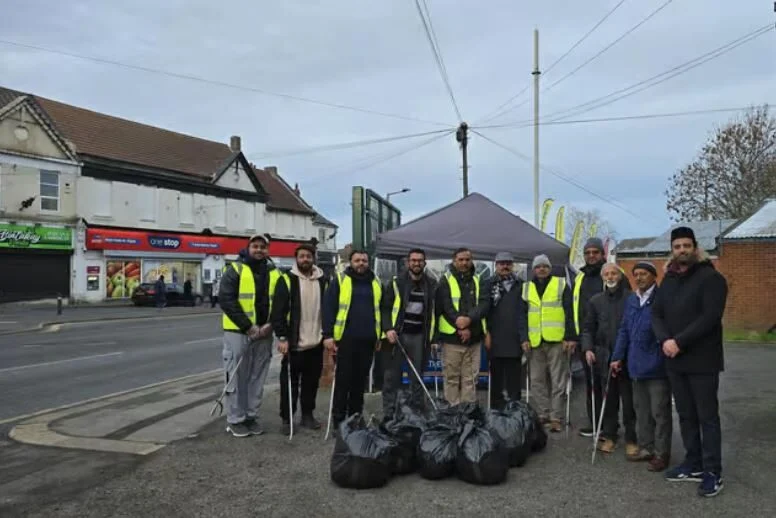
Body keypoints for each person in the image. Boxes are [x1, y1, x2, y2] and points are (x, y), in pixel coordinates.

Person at [652, 227, 728, 497]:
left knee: (707, 417)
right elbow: (656, 314)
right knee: (685, 415)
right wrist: (665, 340)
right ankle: (693, 463)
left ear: (695, 248)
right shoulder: (668, 280)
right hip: (675, 360)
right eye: (677, 246)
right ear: (672, 250)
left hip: (703, 360)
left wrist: (679, 342)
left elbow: (710, 317)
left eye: (686, 245)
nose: (682, 250)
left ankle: (713, 471)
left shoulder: (711, 278)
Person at [218, 234, 283, 437]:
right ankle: (235, 419)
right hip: (238, 332)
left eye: (263, 247)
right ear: (248, 248)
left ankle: (251, 416)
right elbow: (226, 300)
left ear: (267, 250)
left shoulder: (275, 273)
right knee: (237, 376)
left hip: (264, 333)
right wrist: (248, 327)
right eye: (255, 246)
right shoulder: (235, 269)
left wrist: (270, 325)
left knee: (257, 377)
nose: (259, 250)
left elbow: (281, 302)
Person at [611, 261, 672, 472]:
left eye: (644, 274)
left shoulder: (662, 298)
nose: (639, 278)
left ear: (654, 276)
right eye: (636, 274)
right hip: (635, 364)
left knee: (659, 412)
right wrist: (617, 356)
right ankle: (646, 447)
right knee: (642, 410)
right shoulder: (632, 299)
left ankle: (662, 453)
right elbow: (624, 330)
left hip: (657, 365)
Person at [322, 249, 382, 433]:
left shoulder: (376, 282)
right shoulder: (340, 280)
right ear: (351, 262)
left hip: (368, 340)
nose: (361, 263)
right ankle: (339, 421)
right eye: (357, 260)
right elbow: (328, 308)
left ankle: (355, 418)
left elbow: (379, 310)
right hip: (346, 340)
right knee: (343, 383)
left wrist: (378, 336)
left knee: (359, 384)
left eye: (364, 260)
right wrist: (328, 335)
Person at [272, 243, 328, 435]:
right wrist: (282, 337)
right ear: (296, 259)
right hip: (294, 343)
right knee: (290, 384)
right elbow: (278, 312)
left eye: (308, 256)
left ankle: (307, 415)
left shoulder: (323, 280)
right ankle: (287, 419)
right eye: (302, 256)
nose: (305, 259)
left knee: (311, 383)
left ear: (313, 258)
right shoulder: (287, 280)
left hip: (316, 343)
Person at [582, 263, 637, 456]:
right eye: (607, 274)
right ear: (603, 277)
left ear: (620, 276)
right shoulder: (595, 301)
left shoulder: (631, 298)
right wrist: (588, 348)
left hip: (627, 358)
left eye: (614, 273)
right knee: (609, 399)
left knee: (629, 402)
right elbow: (588, 328)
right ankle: (610, 436)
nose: (610, 277)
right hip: (604, 357)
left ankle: (632, 438)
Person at [522, 254, 576, 433]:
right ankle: (543, 413)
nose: (541, 269)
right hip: (535, 341)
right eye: (538, 267)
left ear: (550, 268)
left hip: (557, 340)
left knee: (558, 380)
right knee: (536, 380)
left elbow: (570, 312)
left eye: (545, 266)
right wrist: (524, 338)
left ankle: (556, 417)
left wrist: (569, 337)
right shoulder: (526, 288)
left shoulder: (561, 284)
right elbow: (521, 315)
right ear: (533, 270)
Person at [380, 248, 437, 417]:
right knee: (392, 377)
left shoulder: (432, 284)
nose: (416, 263)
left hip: (420, 336)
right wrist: (388, 328)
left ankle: (416, 412)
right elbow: (385, 308)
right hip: (397, 336)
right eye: (413, 260)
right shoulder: (397, 282)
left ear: (424, 263)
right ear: (408, 262)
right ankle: (389, 413)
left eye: (420, 260)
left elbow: (436, 312)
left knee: (417, 377)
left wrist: (434, 338)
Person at [436, 247, 489, 406]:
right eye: (461, 259)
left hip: (474, 338)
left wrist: (469, 321)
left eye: (467, 259)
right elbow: (444, 306)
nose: (464, 263)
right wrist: (460, 324)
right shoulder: (445, 280)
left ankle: (467, 412)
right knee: (451, 378)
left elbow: (484, 305)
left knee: (470, 379)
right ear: (454, 261)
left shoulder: (479, 280)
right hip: (452, 339)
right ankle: (453, 412)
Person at [572, 237, 607, 437]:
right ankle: (594, 422)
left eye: (595, 252)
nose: (591, 256)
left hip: (606, 340)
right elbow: (573, 308)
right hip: (585, 339)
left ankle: (609, 426)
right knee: (591, 383)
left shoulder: (610, 274)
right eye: (587, 253)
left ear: (602, 254)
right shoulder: (580, 278)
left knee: (608, 385)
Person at [484, 252, 528, 409]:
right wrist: (486, 333)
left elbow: (524, 313)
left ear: (513, 265)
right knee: (496, 379)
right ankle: (496, 411)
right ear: (496, 265)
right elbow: (484, 311)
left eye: (508, 263)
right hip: (494, 338)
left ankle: (514, 411)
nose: (505, 266)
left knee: (514, 380)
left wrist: (524, 337)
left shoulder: (521, 285)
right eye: (501, 263)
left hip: (514, 339)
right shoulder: (488, 284)